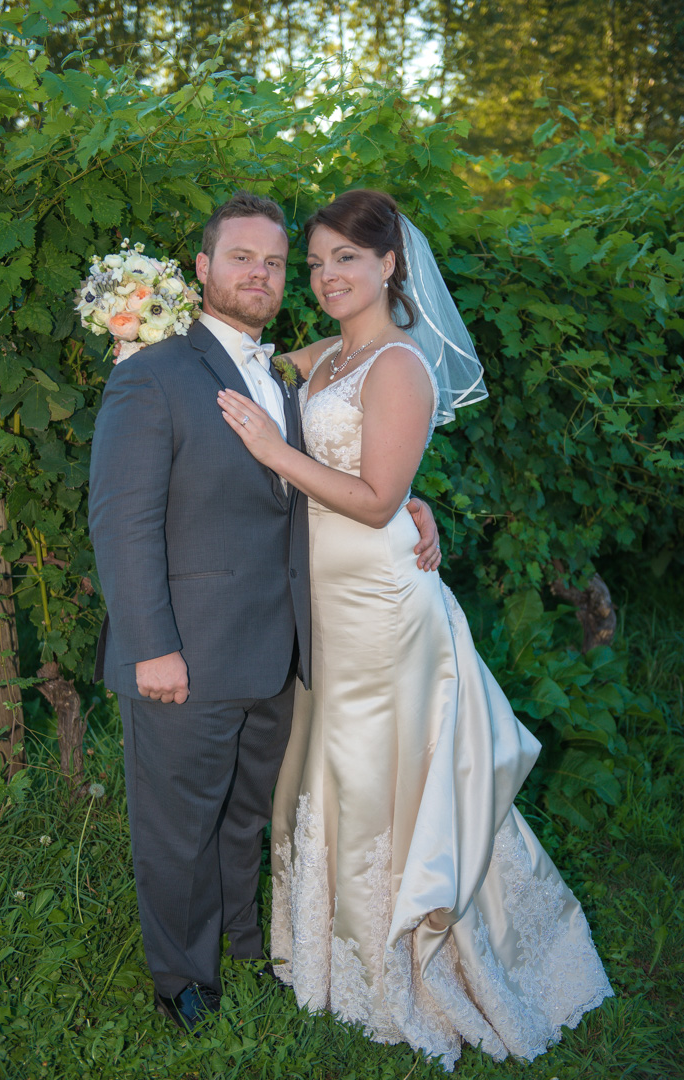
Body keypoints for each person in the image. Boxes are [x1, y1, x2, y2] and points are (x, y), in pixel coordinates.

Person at [217, 189, 613, 1069]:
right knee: (331, 763)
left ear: (389, 263)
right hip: (323, 598)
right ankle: (327, 949)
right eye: (314, 263)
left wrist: (279, 453)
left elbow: (372, 500)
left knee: (376, 772)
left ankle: (397, 958)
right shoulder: (326, 355)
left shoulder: (399, 364)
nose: (324, 277)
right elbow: (256, 371)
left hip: (381, 605)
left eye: (345, 259)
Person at [87, 191, 441, 1033]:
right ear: (202, 268)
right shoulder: (152, 373)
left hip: (280, 646)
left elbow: (333, 473)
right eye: (241, 257)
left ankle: (244, 946)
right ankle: (183, 980)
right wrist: (150, 646)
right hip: (184, 650)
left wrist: (407, 502)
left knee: (246, 816)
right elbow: (120, 521)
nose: (261, 274)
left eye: (276, 263)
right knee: (177, 828)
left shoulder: (288, 375)